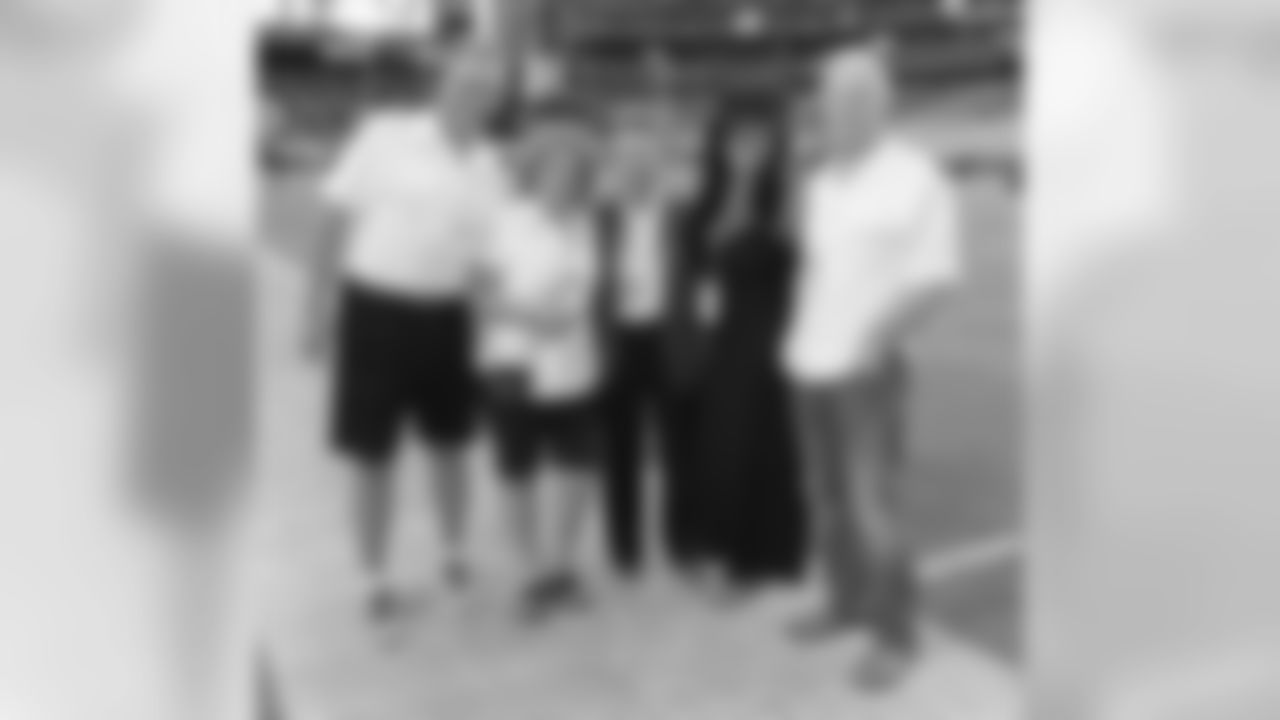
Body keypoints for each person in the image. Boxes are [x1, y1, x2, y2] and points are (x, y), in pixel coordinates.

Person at [783, 41, 963, 691]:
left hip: (867, 374)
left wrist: (875, 338)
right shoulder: (820, 182)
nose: (842, 110)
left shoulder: (916, 176)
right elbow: (819, 272)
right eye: (833, 98)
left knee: (873, 509)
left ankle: (896, 635)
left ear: (883, 104)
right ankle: (845, 602)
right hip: (808, 367)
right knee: (827, 502)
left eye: (857, 97)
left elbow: (938, 278)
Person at [308, 46, 510, 623]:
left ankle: (454, 552)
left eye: (487, 89)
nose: (474, 96)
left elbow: (488, 259)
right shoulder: (385, 136)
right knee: (373, 453)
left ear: (497, 102)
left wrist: (502, 328)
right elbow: (333, 216)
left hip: (449, 318)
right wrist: (316, 309)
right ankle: (373, 578)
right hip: (377, 311)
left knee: (452, 445)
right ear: (441, 84)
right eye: (465, 82)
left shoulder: (491, 165)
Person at [475, 99, 603, 621]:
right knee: (518, 473)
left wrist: (540, 313)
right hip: (514, 367)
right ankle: (530, 573)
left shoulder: (586, 226)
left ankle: (563, 566)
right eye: (553, 167)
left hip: (575, 370)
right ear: (534, 169)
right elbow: (482, 294)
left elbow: (580, 301)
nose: (562, 179)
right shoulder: (505, 220)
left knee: (579, 471)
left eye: (574, 171)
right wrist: (533, 316)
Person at [685, 95, 807, 597]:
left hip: (773, 335)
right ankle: (722, 551)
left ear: (774, 146)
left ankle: (765, 557)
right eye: (738, 139)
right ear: (722, 145)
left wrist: (765, 190)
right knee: (724, 447)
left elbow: (794, 255)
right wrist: (738, 185)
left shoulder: (786, 198)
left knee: (768, 446)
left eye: (759, 139)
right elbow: (706, 251)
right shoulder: (708, 198)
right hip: (724, 340)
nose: (748, 149)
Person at [594, 103, 705, 582]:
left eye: (645, 158)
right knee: (620, 450)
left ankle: (684, 541)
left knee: (682, 450)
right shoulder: (598, 217)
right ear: (614, 164)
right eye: (627, 158)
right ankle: (625, 546)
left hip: (670, 341)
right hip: (618, 343)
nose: (636, 167)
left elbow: (707, 277)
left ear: (658, 163)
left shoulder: (683, 215)